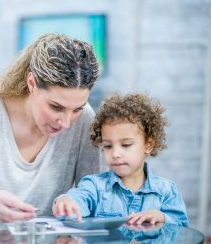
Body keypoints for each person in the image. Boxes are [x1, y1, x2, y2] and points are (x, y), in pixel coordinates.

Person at [0, 33, 102, 222]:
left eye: (76, 109)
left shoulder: (85, 118)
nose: (66, 122)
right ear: (32, 84)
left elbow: (95, 192)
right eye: (56, 107)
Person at [52, 93, 189, 227]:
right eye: (108, 146)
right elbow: (77, 200)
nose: (115, 154)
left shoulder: (166, 191)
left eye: (126, 145)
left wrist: (161, 217)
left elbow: (182, 229)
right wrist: (66, 201)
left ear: (148, 145)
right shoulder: (94, 186)